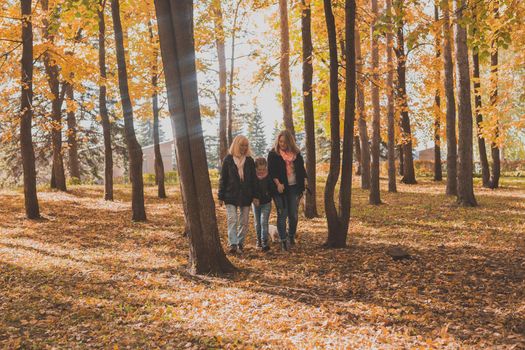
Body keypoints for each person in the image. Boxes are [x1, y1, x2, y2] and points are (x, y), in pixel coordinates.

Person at [268, 130, 307, 251]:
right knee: (282, 213)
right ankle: (283, 240)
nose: (282, 144)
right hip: (279, 188)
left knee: (293, 215)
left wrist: (304, 182)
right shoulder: (273, 154)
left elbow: (301, 170)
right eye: (280, 141)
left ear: (290, 142)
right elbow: (271, 171)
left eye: (284, 142)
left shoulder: (296, 154)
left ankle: (291, 236)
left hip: (294, 187)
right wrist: (278, 184)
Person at [218, 135, 257, 254]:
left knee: (244, 221)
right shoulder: (228, 159)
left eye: (246, 145)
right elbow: (223, 179)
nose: (244, 148)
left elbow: (254, 180)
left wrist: (255, 195)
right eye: (242, 145)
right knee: (232, 219)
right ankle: (233, 244)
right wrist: (220, 196)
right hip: (230, 194)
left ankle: (240, 242)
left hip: (246, 195)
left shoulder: (249, 160)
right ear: (236, 145)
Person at [252, 157, 273, 252]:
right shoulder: (253, 176)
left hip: (266, 203)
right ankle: (259, 241)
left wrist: (269, 194)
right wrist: (253, 198)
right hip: (256, 203)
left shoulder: (269, 176)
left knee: (264, 222)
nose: (261, 171)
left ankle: (265, 242)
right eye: (259, 169)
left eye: (263, 169)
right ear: (255, 168)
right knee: (257, 223)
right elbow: (251, 188)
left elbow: (272, 188)